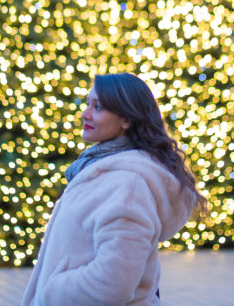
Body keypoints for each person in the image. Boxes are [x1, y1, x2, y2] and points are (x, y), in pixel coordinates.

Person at [21, 72, 207, 306]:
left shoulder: (127, 185)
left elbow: (112, 282)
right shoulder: (101, 168)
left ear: (126, 119)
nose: (85, 114)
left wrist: (52, 293)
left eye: (98, 107)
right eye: (87, 104)